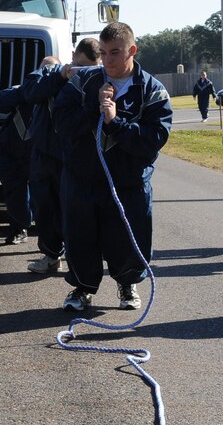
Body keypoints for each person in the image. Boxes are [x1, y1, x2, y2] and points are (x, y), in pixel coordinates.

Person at [52, 22, 173, 311]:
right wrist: (92, 109)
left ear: (132, 50)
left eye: (115, 53)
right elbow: (61, 122)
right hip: (83, 177)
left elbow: (153, 139)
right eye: (104, 53)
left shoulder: (153, 91)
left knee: (129, 237)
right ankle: (82, 288)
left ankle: (127, 284)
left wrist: (115, 122)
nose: (107, 60)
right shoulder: (83, 83)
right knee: (80, 235)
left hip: (128, 181)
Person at [22, 40, 101, 274]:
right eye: (80, 66)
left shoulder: (98, 79)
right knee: (44, 209)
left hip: (75, 156)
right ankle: (50, 255)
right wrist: (62, 75)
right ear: (73, 56)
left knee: (76, 212)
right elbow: (30, 91)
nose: (83, 73)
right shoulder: (53, 72)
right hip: (44, 154)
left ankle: (80, 266)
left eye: (90, 68)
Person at [0, 83, 34, 245]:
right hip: (13, 151)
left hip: (41, 152)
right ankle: (19, 227)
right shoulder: (25, 89)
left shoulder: (60, 91)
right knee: (15, 193)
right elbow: (0, 101)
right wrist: (26, 91)